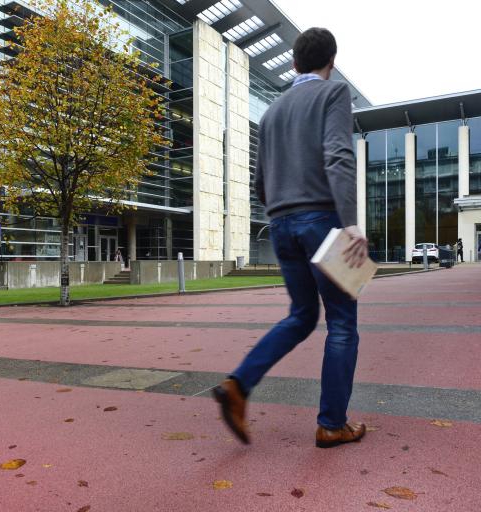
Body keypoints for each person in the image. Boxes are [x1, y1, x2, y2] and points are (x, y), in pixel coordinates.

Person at [212, 27, 369, 449]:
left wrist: (283, 205)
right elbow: (338, 155)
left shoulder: (271, 113)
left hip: (281, 225)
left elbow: (260, 182)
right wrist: (351, 222)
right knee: (342, 321)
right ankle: (332, 423)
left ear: (294, 63)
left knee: (301, 315)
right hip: (323, 221)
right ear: (330, 63)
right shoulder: (333, 94)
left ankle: (238, 385)